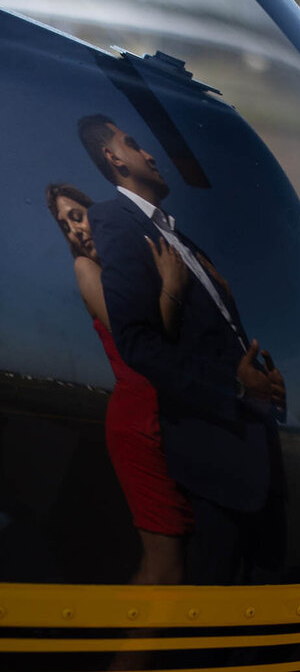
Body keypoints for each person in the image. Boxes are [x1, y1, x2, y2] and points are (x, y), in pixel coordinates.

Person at [76, 114, 287, 585]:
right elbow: (138, 343)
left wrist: (260, 382)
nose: (150, 153)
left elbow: (219, 334)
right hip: (213, 451)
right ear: (114, 159)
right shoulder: (114, 220)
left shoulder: (177, 236)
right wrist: (235, 385)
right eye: (134, 144)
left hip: (248, 440)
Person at [45, 183, 192, 585]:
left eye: (77, 216)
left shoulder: (129, 263)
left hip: (172, 418)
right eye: (64, 227)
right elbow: (138, 344)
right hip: (139, 427)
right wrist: (172, 291)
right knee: (164, 567)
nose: (74, 231)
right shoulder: (86, 269)